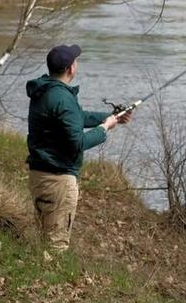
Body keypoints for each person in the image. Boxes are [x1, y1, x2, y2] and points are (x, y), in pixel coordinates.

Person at [25, 44, 131, 251]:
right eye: (75, 60)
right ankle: (48, 281)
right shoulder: (63, 98)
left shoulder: (46, 90)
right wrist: (103, 129)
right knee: (56, 245)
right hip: (58, 180)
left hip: (39, 175)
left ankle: (39, 272)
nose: (76, 64)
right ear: (70, 68)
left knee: (43, 240)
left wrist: (111, 118)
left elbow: (75, 118)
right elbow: (78, 143)